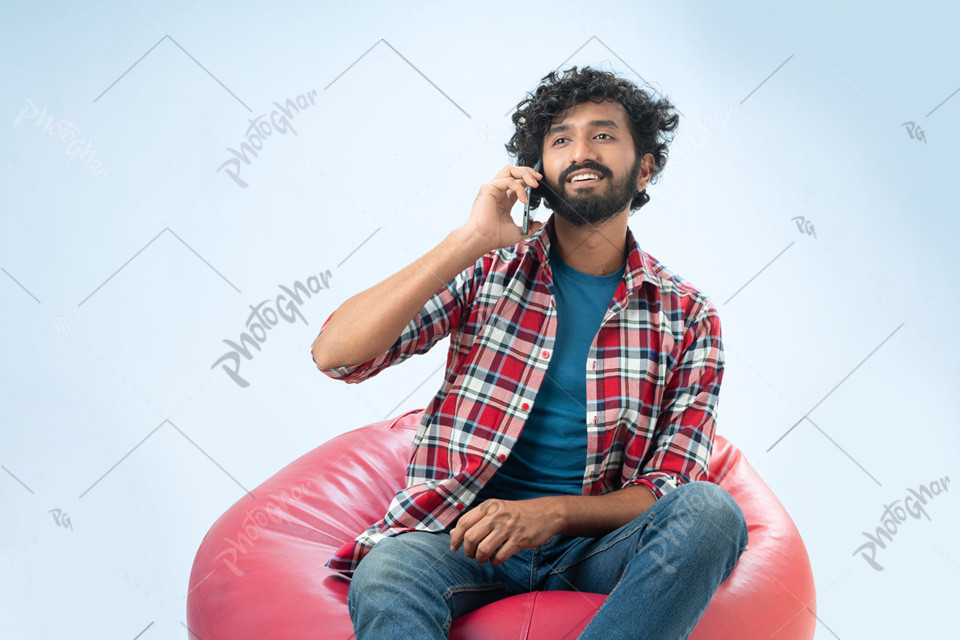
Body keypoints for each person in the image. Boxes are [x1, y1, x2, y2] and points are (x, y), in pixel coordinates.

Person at [311, 66, 749, 640]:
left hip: (594, 552)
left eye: (604, 134)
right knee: (388, 571)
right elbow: (337, 355)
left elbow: (668, 483)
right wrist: (468, 239)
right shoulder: (488, 270)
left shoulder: (688, 315)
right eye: (561, 138)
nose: (581, 151)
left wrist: (551, 513)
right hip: (462, 538)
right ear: (538, 170)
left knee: (713, 515)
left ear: (644, 166)